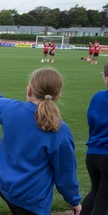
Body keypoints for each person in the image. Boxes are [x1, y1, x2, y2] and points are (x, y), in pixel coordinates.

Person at [0, 58, 82, 215]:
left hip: (6, 188)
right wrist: (73, 200)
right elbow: (65, 173)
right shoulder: (60, 130)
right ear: (58, 95)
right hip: (32, 200)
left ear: (29, 90)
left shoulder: (10, 109)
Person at [80, 62, 108, 215]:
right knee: (103, 202)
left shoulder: (97, 97)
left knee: (95, 192)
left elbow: (91, 123)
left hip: (93, 153)